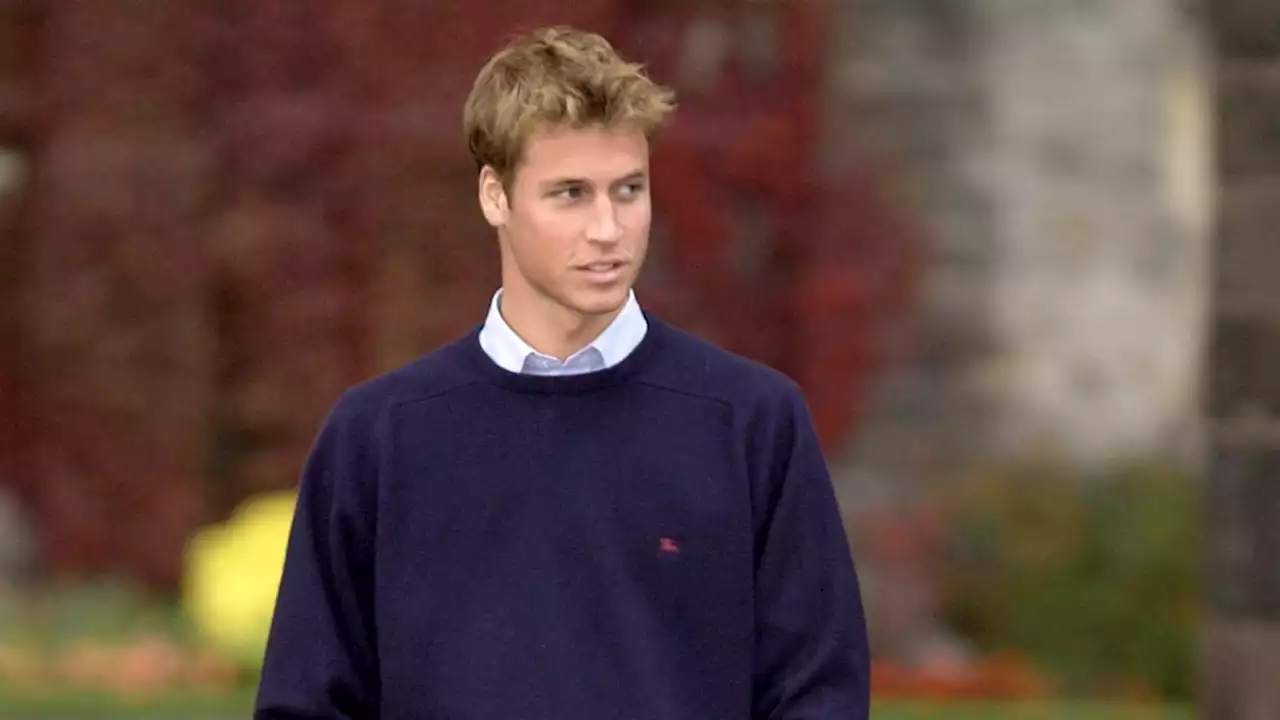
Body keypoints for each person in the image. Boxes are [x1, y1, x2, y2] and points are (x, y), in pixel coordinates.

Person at [254, 25, 870, 720]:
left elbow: (820, 695)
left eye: (628, 190)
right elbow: (307, 703)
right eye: (571, 193)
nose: (608, 228)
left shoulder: (752, 421)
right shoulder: (378, 437)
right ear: (495, 196)